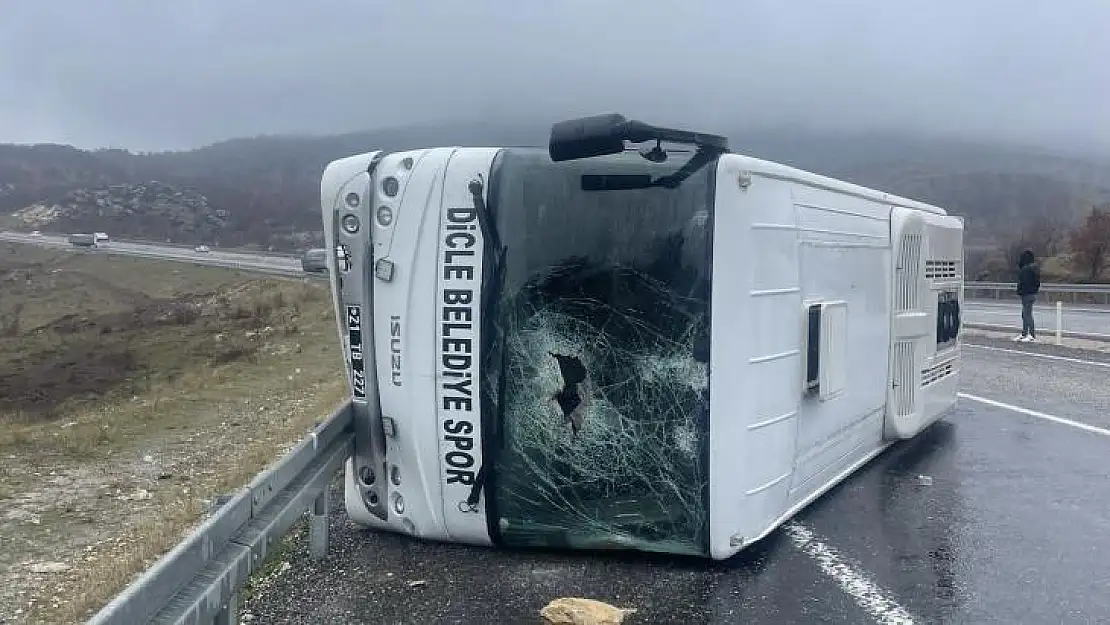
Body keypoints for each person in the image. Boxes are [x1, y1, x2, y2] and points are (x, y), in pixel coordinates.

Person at [1015, 249, 1041, 342]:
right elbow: (1036, 283)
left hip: (1027, 294)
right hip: (1031, 293)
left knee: (1027, 314)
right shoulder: (1033, 268)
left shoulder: (1026, 269)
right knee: (1025, 314)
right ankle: (1024, 333)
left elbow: (1023, 282)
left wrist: (1020, 291)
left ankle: (1031, 335)